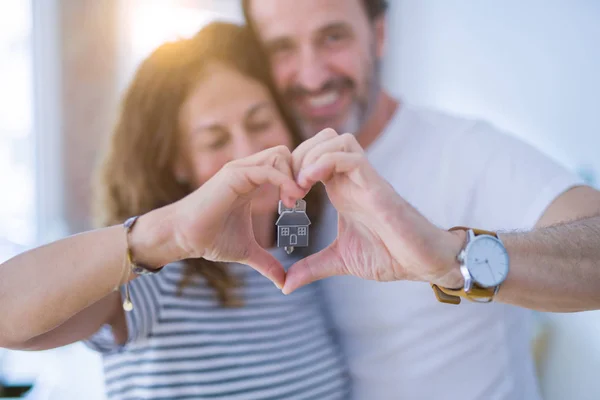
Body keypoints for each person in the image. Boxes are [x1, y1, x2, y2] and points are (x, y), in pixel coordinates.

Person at [242, 0, 600, 399]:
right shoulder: (279, 184)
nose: (311, 77)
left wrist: (453, 259)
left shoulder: (465, 150)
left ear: (378, 35)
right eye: (281, 47)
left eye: (333, 36)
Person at [0, 23, 350, 400]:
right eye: (215, 140)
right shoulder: (155, 278)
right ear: (177, 164)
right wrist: (170, 235)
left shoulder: (305, 256)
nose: (248, 149)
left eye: (260, 122)